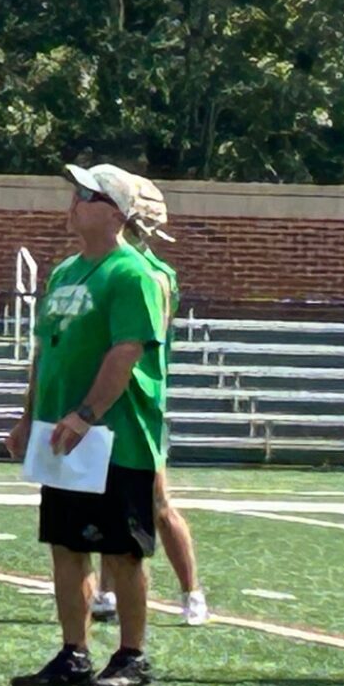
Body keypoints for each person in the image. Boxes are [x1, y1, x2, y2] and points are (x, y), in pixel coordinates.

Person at [5, 162, 167, 686]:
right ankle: (74, 652)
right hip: (62, 430)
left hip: (113, 435)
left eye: (86, 194)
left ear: (115, 211)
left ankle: (131, 654)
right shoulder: (63, 271)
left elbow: (127, 350)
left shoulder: (131, 273)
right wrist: (29, 416)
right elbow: (43, 353)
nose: (73, 201)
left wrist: (87, 413)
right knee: (67, 544)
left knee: (122, 547)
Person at [90, 174, 207, 626]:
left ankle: (191, 590)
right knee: (102, 498)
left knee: (156, 500)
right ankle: (105, 591)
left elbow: (136, 340)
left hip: (137, 402)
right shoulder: (104, 267)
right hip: (105, 398)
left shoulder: (152, 274)